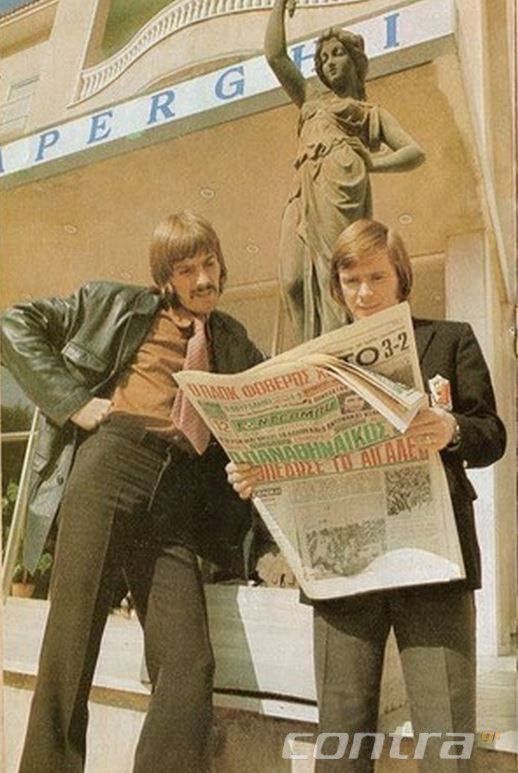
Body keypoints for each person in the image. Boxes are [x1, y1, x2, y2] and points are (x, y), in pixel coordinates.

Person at [226, 218, 506, 771]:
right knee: (341, 738)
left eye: (376, 277)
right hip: (344, 569)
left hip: (432, 563)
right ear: (337, 287)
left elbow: (492, 434)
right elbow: (299, 454)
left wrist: (450, 429)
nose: (364, 293)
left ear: (401, 277)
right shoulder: (312, 363)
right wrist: (259, 474)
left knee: (445, 739)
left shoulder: (449, 339)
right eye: (351, 281)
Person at [1, 210, 264, 773]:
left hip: (177, 495)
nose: (202, 279)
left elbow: (265, 405)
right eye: (186, 270)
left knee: (189, 663)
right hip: (112, 466)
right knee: (71, 645)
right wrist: (72, 401)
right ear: (166, 279)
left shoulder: (233, 339)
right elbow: (14, 323)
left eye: (209, 264)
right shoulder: (114, 303)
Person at [265, 0, 425, 342]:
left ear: (354, 60)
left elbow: (415, 152)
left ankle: (339, 351)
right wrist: (279, 4)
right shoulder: (310, 98)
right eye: (324, 59)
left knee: (336, 275)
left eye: (337, 54)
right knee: (292, 281)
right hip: (302, 192)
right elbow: (275, 56)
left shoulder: (369, 112)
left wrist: (373, 163)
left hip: (343, 188)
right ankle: (310, 352)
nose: (330, 62)